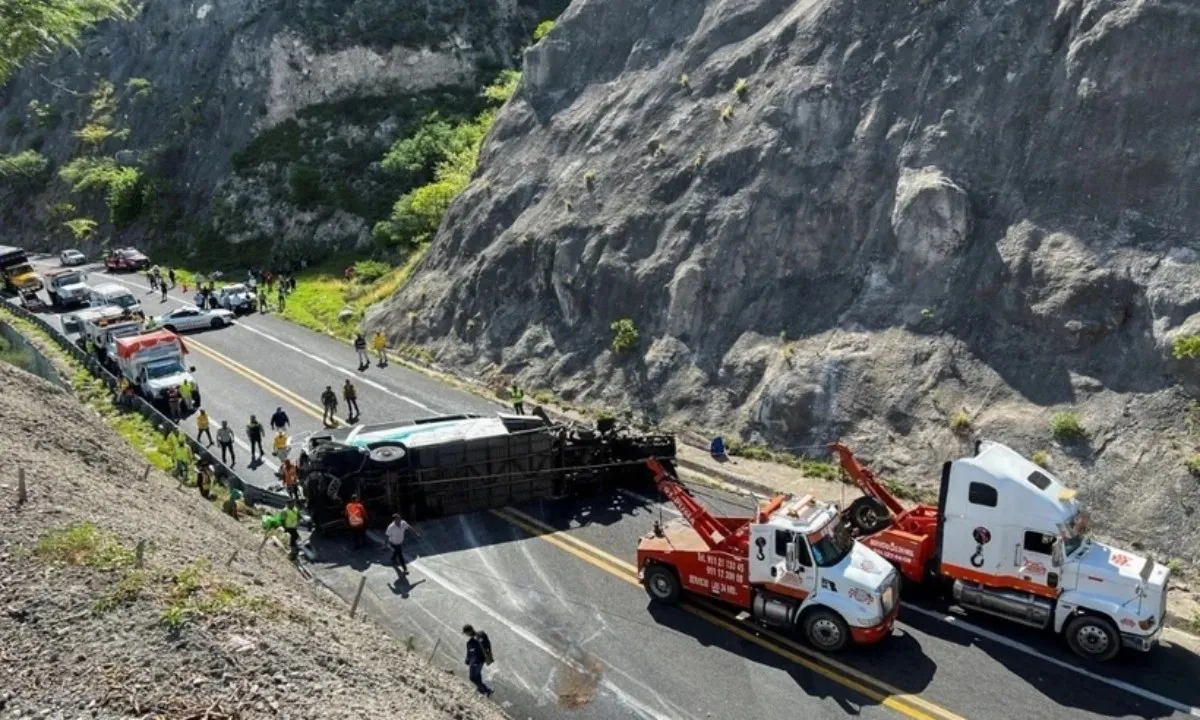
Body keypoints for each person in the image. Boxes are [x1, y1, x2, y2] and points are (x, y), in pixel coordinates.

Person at [462, 625, 494, 696]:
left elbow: (470, 653)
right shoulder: (482, 633)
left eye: (466, 633)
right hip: (482, 660)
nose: (466, 635)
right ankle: (481, 689)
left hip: (475, 662)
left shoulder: (471, 642)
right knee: (477, 675)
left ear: (469, 631)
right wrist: (489, 653)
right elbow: (488, 643)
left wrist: (468, 660)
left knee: (472, 678)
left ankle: (487, 690)